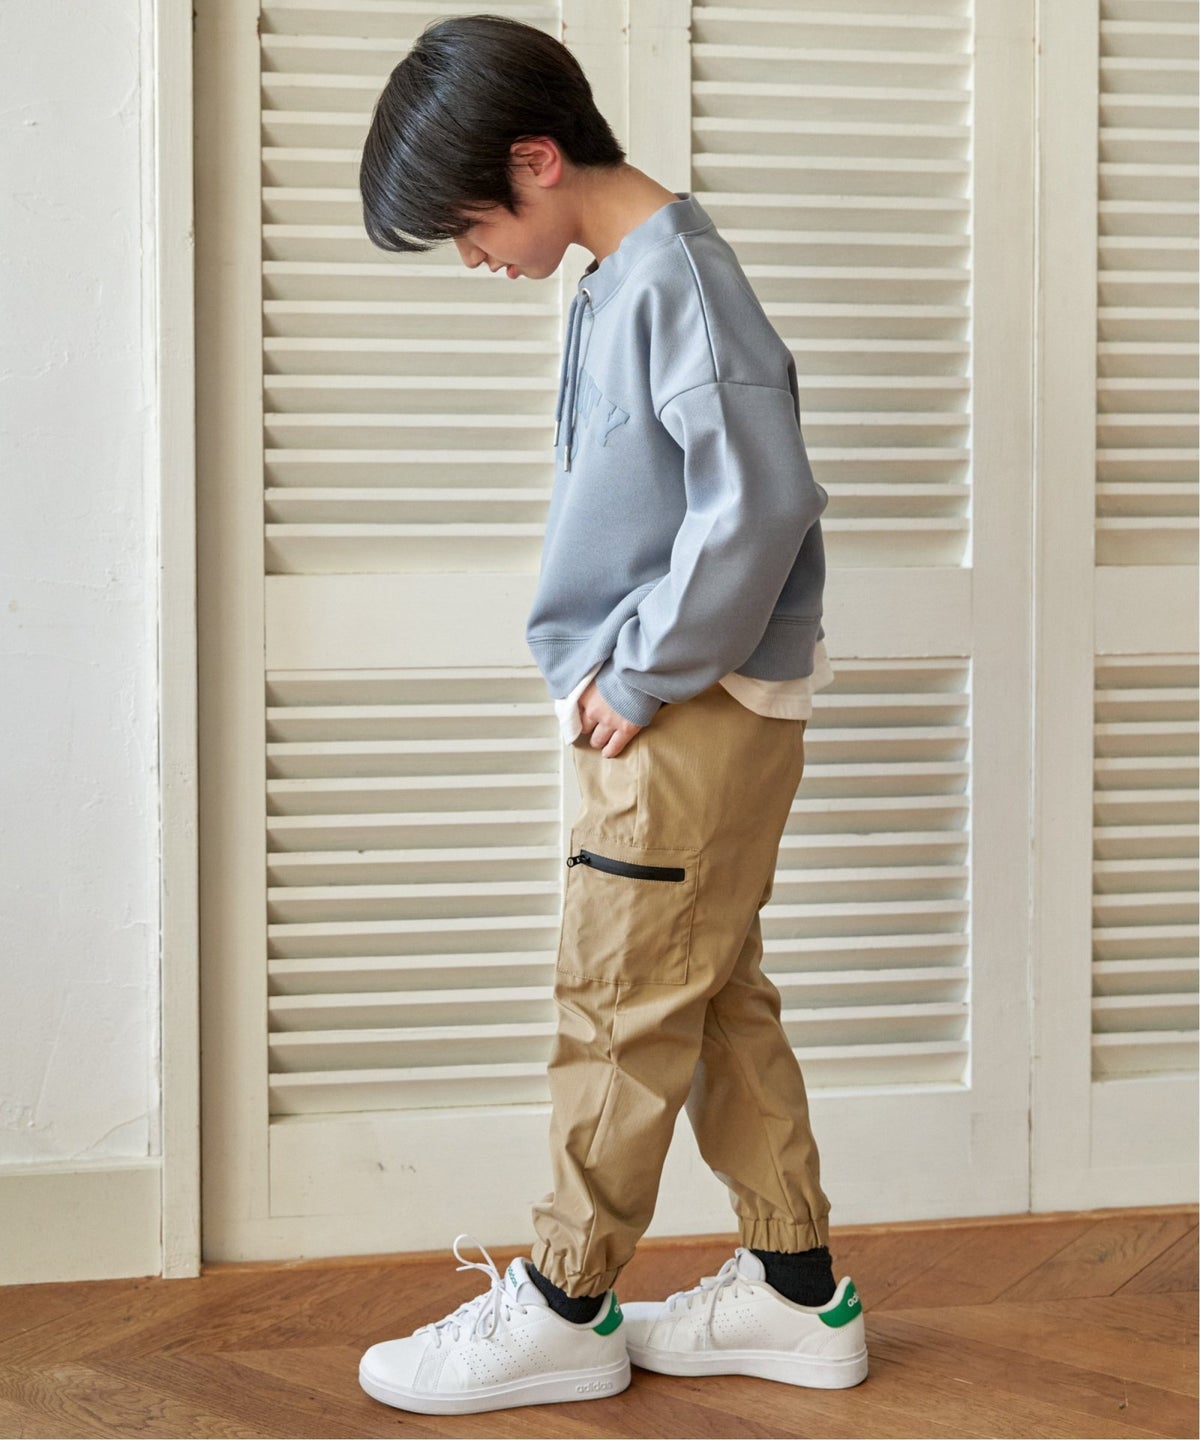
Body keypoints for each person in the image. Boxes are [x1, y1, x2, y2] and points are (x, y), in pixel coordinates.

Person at [355, 12, 867, 1417]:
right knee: (710, 992)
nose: (472, 258)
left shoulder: (675, 282)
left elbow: (760, 500)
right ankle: (795, 1289)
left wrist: (636, 675)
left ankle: (566, 1303)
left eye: (469, 227)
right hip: (682, 702)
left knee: (618, 1002)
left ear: (535, 160)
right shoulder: (627, 278)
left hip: (684, 709)